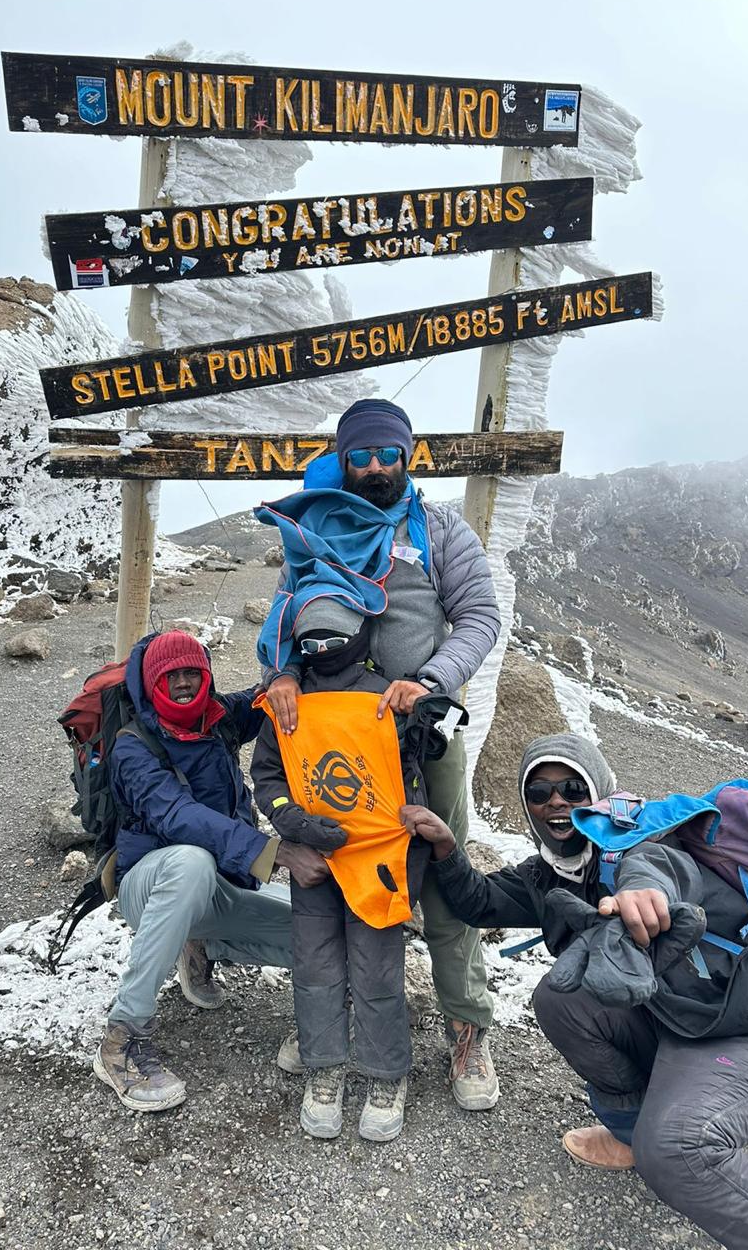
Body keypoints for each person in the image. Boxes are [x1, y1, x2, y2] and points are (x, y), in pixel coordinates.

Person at [404, 733, 748, 1250]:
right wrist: (448, 851)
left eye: (570, 787)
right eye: (538, 793)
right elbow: (482, 903)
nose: (556, 801)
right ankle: (633, 1133)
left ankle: (670, 1143)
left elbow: (658, 865)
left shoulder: (644, 834)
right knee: (560, 1001)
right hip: (685, 1016)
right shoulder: (550, 875)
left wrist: (640, 890)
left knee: (676, 1148)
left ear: (598, 791)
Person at [257, 397, 502, 1111]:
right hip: (333, 734)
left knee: (445, 878)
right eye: (358, 455)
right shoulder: (316, 524)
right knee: (331, 869)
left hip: (422, 734)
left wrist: (428, 681)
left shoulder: (439, 529)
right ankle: (325, 1026)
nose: (372, 468)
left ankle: (467, 1028)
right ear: (344, 457)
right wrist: (279, 676)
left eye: (385, 454)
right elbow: (284, 615)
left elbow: (481, 615)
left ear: (407, 455)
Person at [92, 629, 328, 1113]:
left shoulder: (218, 718)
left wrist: (291, 674)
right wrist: (275, 852)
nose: (182, 683)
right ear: (152, 682)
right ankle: (122, 1040)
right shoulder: (132, 747)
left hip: (214, 889)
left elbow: (273, 696)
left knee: (323, 930)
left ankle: (199, 943)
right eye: (170, 675)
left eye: (191, 672)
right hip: (151, 884)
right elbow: (178, 817)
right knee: (190, 859)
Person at [250, 599, 434, 1142]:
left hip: (376, 862)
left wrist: (410, 853)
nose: (322, 650)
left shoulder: (388, 697)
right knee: (314, 965)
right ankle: (323, 1067)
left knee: (378, 967)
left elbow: (410, 780)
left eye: (333, 639)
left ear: (360, 634)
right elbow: (268, 777)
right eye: (311, 642)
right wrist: (295, 824)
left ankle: (385, 1074)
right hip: (314, 864)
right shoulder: (286, 700)